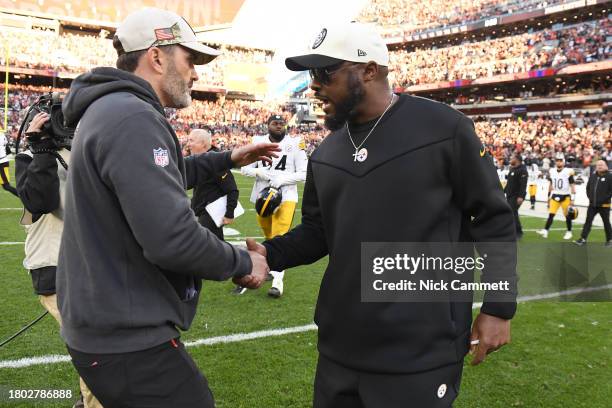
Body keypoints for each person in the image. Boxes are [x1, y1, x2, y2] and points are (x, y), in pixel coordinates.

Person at [249, 22, 517, 407]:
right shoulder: (326, 153)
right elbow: (318, 232)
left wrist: (498, 307)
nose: (314, 85)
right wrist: (269, 254)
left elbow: (493, 218)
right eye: (311, 74)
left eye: (325, 72)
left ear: (369, 70)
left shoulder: (444, 128)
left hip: (421, 349)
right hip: (340, 347)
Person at [56, 8, 277, 407]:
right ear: (157, 57)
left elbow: (159, 177)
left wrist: (227, 158)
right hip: (125, 334)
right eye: (190, 60)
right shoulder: (132, 117)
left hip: (106, 325)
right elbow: (172, 239)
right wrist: (244, 263)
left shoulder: (114, 109)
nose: (195, 74)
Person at [15, 113, 102, 408]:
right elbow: (40, 202)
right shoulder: (31, 155)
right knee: (96, 347)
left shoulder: (87, 151)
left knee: (102, 344)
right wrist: (41, 148)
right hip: (54, 265)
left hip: (92, 264)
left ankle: (86, 400)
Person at [238, 114, 308, 297]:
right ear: (267, 125)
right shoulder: (257, 141)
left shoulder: (295, 143)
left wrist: (283, 179)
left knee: (279, 235)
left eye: (281, 123)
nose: (279, 126)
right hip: (262, 197)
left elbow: (304, 172)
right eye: (275, 123)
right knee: (269, 236)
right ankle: (271, 267)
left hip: (286, 196)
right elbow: (244, 168)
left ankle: (277, 284)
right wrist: (259, 172)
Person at [186, 128, 239, 240]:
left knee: (210, 248)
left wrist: (229, 213)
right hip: (204, 212)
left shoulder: (215, 162)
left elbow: (232, 189)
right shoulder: (201, 162)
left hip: (212, 214)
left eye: (191, 141)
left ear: (203, 144)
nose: (188, 144)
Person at [536, 156, 576, 239]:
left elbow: (572, 186)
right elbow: (550, 184)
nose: (559, 162)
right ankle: (546, 231)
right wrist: (548, 197)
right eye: (557, 161)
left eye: (560, 161)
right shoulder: (552, 171)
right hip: (555, 195)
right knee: (551, 214)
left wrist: (573, 198)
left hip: (565, 196)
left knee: (567, 215)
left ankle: (569, 232)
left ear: (564, 162)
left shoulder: (568, 171)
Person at [575, 160, 612, 247]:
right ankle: (583, 239)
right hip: (592, 205)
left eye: (601, 165)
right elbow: (588, 188)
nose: (599, 166)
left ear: (606, 166)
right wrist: (590, 198)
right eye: (598, 165)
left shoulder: (610, 176)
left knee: (606, 223)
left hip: (604, 205)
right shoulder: (593, 176)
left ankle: (609, 240)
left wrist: (604, 199)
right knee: (588, 222)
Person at [504, 154, 528, 239]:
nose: (510, 159)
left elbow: (523, 185)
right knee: (511, 213)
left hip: (516, 196)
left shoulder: (523, 170)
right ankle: (512, 231)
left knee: (512, 213)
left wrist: (521, 196)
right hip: (510, 195)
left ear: (517, 159)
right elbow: (509, 183)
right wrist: (503, 191)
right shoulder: (512, 169)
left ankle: (518, 232)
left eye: (512, 158)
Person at [0, 130, 19, 197]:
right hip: (3, 161)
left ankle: (24, 198)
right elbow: (7, 147)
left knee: (6, 185)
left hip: (1, 163)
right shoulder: (2, 135)